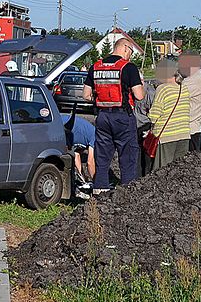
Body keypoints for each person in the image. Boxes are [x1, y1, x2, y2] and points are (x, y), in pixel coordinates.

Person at [83, 37, 145, 192]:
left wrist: (99, 99)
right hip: (122, 116)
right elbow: (139, 96)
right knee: (127, 156)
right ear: (125, 48)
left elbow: (86, 94)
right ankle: (126, 192)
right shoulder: (128, 67)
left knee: (102, 157)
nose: (130, 55)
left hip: (102, 116)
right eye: (131, 51)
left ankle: (100, 190)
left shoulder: (95, 66)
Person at [146, 59, 191, 171]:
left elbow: (155, 115)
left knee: (163, 171)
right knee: (178, 170)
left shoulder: (163, 89)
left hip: (167, 136)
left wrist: (148, 114)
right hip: (184, 133)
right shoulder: (184, 88)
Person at [178, 51, 201, 151]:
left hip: (190, 130)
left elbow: (176, 93)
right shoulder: (195, 77)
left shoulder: (194, 79)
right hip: (190, 129)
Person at [62, 112, 96, 187]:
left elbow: (76, 154)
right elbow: (90, 162)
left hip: (63, 125)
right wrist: (97, 182)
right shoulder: (95, 137)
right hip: (62, 124)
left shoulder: (84, 139)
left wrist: (82, 177)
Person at [133, 74, 157, 175]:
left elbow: (155, 112)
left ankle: (145, 176)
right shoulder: (132, 91)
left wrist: (151, 129)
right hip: (134, 126)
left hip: (146, 126)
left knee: (146, 154)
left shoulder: (150, 93)